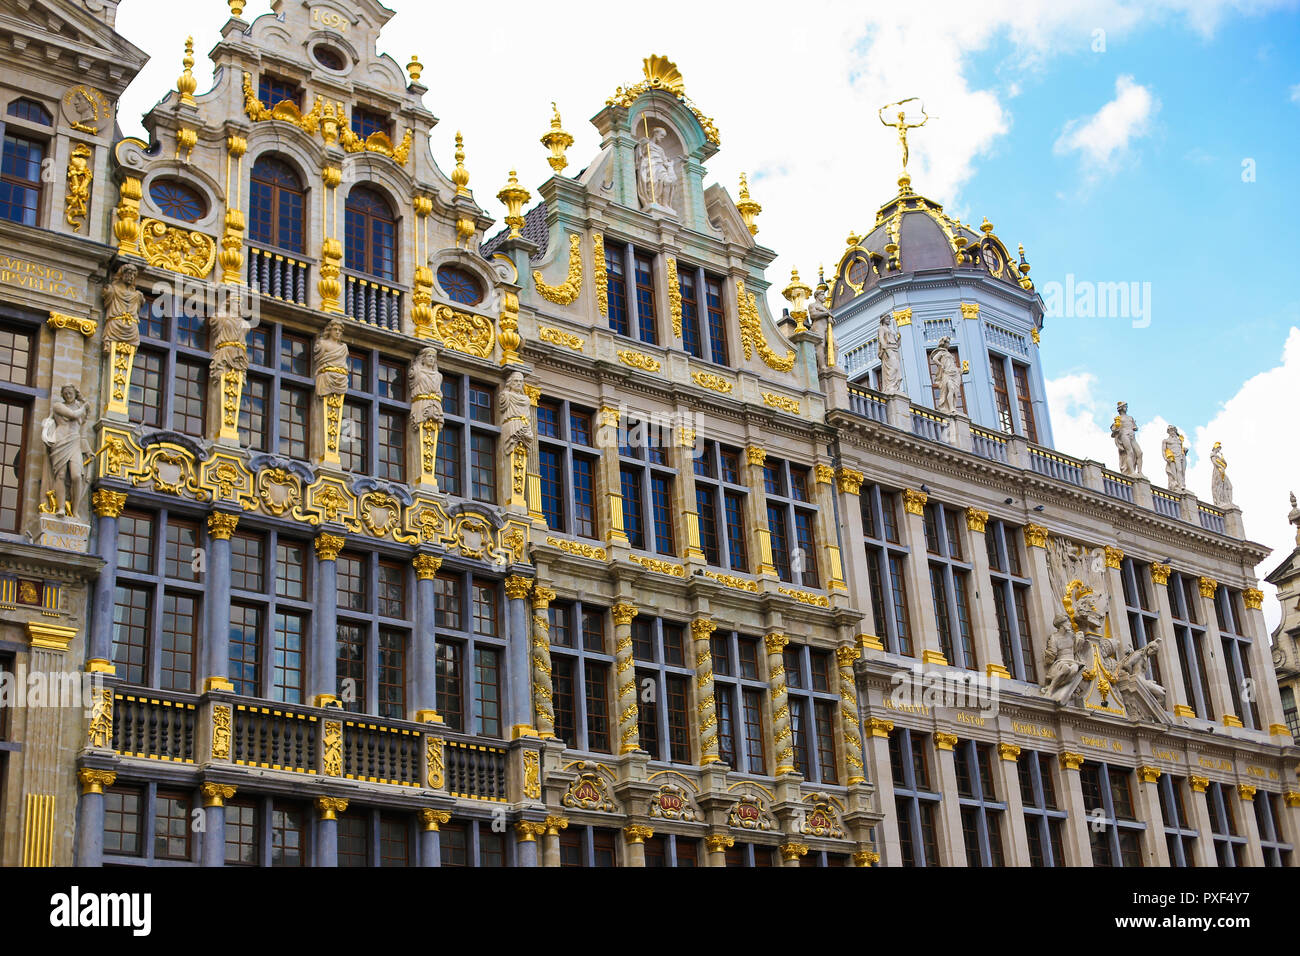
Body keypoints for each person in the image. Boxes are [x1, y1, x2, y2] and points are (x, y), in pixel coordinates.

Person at [42, 385, 90, 516]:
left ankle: (74, 510)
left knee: (76, 476)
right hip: (60, 441)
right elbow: (73, 415)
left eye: (70, 393)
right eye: (66, 393)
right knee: (61, 475)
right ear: (63, 395)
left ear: (75, 393)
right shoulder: (58, 406)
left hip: (74, 441)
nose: (68, 395)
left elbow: (83, 429)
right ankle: (61, 508)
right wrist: (84, 405)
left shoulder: (80, 407)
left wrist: (87, 449)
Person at [1110, 401, 1145, 478]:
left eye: (1126, 406)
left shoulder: (1130, 418)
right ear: (1121, 408)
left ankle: (1140, 472)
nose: (1126, 408)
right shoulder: (1118, 418)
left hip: (1132, 436)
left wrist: (1135, 427)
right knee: (1130, 452)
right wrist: (1116, 427)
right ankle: (1132, 472)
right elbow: (1114, 428)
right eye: (1125, 406)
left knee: (1139, 453)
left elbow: (1134, 427)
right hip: (1124, 435)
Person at [877, 314, 903, 394]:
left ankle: (895, 386)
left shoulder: (891, 330)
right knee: (893, 367)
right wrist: (884, 347)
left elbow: (898, 345)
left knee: (897, 369)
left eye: (889, 318)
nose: (889, 320)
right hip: (888, 349)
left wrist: (899, 338)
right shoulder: (881, 328)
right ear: (883, 320)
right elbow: (881, 338)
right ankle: (890, 386)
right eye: (887, 318)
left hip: (894, 349)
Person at [1210, 442, 1234, 508]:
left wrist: (1223, 459)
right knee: (1218, 486)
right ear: (1216, 448)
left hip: (1222, 471)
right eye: (1218, 448)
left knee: (1229, 486)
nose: (1219, 450)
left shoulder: (1219, 456)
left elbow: (1225, 464)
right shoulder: (1213, 454)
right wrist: (1220, 466)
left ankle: (1228, 501)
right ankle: (1219, 501)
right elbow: (1214, 462)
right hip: (1217, 471)